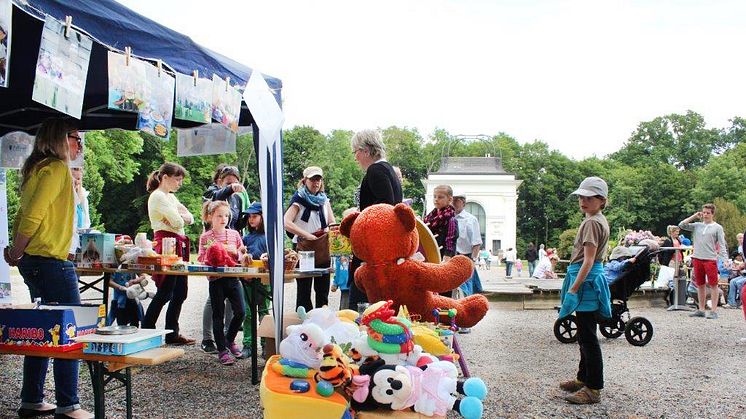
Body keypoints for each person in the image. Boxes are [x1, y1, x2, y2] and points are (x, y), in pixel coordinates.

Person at [4, 117, 92, 418]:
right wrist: (16, 249)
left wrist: (18, 251)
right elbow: (32, 216)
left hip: (36, 260)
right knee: (71, 331)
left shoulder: (35, 168)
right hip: (51, 261)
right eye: (74, 137)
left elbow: (24, 213)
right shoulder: (55, 168)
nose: (79, 143)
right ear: (58, 138)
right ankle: (69, 404)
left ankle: (32, 398)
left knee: (42, 331)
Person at [558, 176, 611, 405]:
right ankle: (583, 377)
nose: (583, 200)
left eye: (589, 197)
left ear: (602, 200)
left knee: (588, 337)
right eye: (581, 196)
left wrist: (574, 288)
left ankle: (593, 388)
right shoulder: (599, 219)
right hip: (591, 279)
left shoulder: (591, 223)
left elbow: (588, 261)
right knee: (584, 332)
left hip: (586, 281)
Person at [142, 162, 196, 345]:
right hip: (166, 246)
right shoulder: (157, 197)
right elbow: (178, 222)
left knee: (180, 292)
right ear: (165, 177)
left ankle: (172, 333)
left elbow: (189, 218)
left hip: (178, 246)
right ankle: (147, 331)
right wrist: (180, 218)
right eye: (177, 179)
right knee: (165, 291)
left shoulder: (170, 198)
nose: (179, 183)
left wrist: (181, 217)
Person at [348, 129, 402, 309]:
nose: (356, 157)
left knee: (362, 298)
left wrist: (359, 221)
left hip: (373, 248)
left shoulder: (376, 171)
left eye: (356, 152)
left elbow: (384, 208)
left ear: (365, 150)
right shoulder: (388, 170)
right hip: (384, 247)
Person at [201, 164, 249, 353]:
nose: (233, 184)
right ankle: (209, 339)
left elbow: (236, 222)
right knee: (214, 305)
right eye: (228, 181)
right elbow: (214, 200)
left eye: (235, 181)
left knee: (237, 308)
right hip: (216, 271)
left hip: (231, 261)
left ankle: (228, 339)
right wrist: (229, 189)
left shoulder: (236, 200)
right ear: (219, 181)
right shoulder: (213, 192)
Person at [198, 201, 246, 365]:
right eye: (219, 215)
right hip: (216, 280)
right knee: (218, 316)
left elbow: (242, 253)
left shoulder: (234, 234)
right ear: (211, 217)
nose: (223, 219)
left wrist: (237, 253)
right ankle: (222, 350)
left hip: (233, 278)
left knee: (241, 312)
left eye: (226, 215)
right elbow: (201, 259)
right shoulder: (206, 237)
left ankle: (229, 340)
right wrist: (214, 254)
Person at [284, 166, 336, 311]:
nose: (316, 182)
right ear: (305, 181)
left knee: (322, 291)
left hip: (322, 249)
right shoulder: (298, 200)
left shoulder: (324, 200)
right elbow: (286, 222)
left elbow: (332, 222)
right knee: (304, 292)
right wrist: (307, 235)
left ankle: (322, 323)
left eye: (318, 179)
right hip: (304, 250)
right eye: (312, 179)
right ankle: (303, 325)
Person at [679, 203, 729, 320]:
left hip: (710, 259)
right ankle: (701, 309)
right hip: (697, 257)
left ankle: (714, 310)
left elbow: (722, 245)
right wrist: (694, 216)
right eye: (704, 212)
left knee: (713, 285)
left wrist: (724, 259)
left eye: (708, 213)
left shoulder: (717, 227)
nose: (705, 215)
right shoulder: (697, 225)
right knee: (700, 284)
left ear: (712, 214)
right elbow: (682, 225)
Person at [240, 202, 270, 358]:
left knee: (264, 312)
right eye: (249, 217)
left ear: (262, 217)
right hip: (249, 280)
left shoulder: (270, 237)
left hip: (265, 279)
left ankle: (266, 345)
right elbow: (241, 257)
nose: (251, 219)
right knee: (248, 313)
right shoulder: (246, 238)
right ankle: (248, 344)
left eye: (255, 216)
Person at [453, 193, 483, 295]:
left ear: (463, 202)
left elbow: (477, 243)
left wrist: (472, 261)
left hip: (465, 259)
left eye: (456, 200)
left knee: (465, 292)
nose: (453, 202)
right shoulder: (447, 218)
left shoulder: (471, 219)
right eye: (451, 199)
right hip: (449, 259)